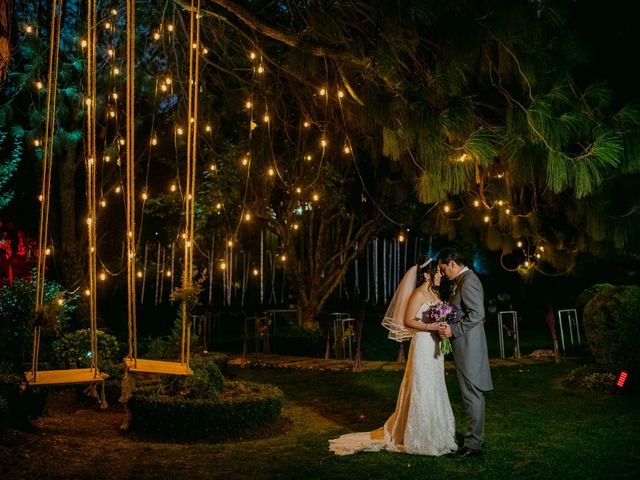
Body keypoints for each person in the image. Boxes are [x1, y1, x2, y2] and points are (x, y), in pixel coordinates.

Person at [329, 257, 458, 456]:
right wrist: (430, 326)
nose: (441, 274)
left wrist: (442, 325)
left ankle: (438, 434)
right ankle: (419, 437)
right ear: (426, 274)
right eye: (437, 272)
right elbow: (407, 321)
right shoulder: (418, 294)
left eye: (441, 272)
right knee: (422, 386)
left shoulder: (435, 293)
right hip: (423, 345)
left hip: (435, 346)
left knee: (435, 385)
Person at [437, 246, 493, 457]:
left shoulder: (468, 281)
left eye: (443, 269)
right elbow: (460, 310)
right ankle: (473, 440)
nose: (443, 273)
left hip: (470, 347)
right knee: (469, 394)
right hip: (464, 347)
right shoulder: (461, 281)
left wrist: (453, 329)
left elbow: (477, 313)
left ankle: (473, 445)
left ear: (451, 263)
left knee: (472, 395)